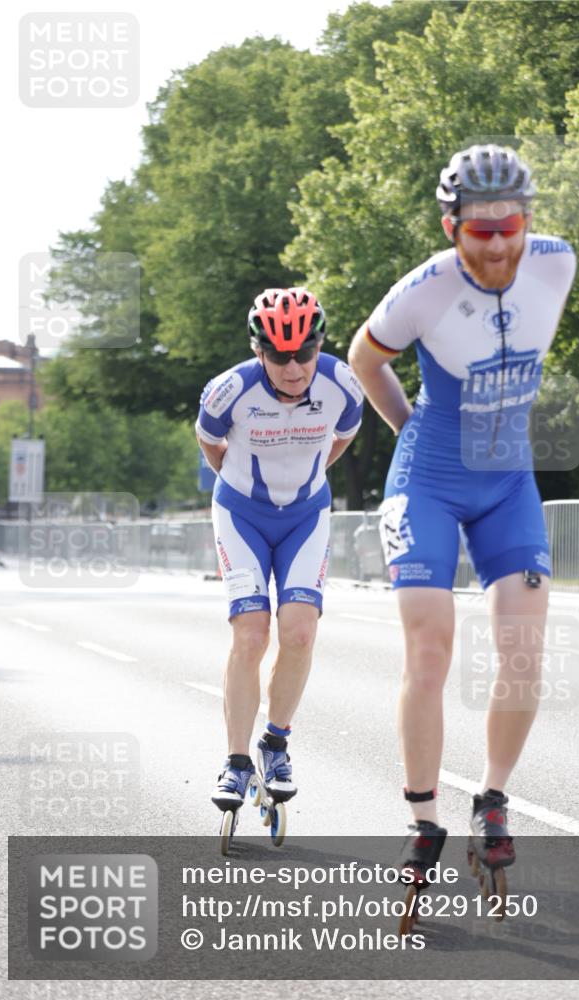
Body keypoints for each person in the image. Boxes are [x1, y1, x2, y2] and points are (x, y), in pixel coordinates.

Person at [348, 144, 576, 881]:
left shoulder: (556, 263)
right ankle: (422, 819)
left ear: (526, 219)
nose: (498, 243)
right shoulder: (422, 290)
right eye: (479, 231)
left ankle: (493, 798)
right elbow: (362, 358)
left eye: (508, 225)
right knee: (431, 647)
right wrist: (408, 427)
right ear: (451, 228)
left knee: (522, 651)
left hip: (507, 482)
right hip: (430, 482)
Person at [196, 287, 363, 819]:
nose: (293, 368)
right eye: (279, 356)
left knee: (299, 631)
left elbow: (344, 436)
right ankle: (237, 761)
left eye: (304, 354)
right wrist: (241, 485)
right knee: (250, 632)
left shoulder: (343, 384)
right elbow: (210, 443)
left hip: (305, 515)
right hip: (242, 513)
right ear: (259, 350)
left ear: (318, 346)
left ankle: (276, 742)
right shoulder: (229, 391)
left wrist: (309, 477)